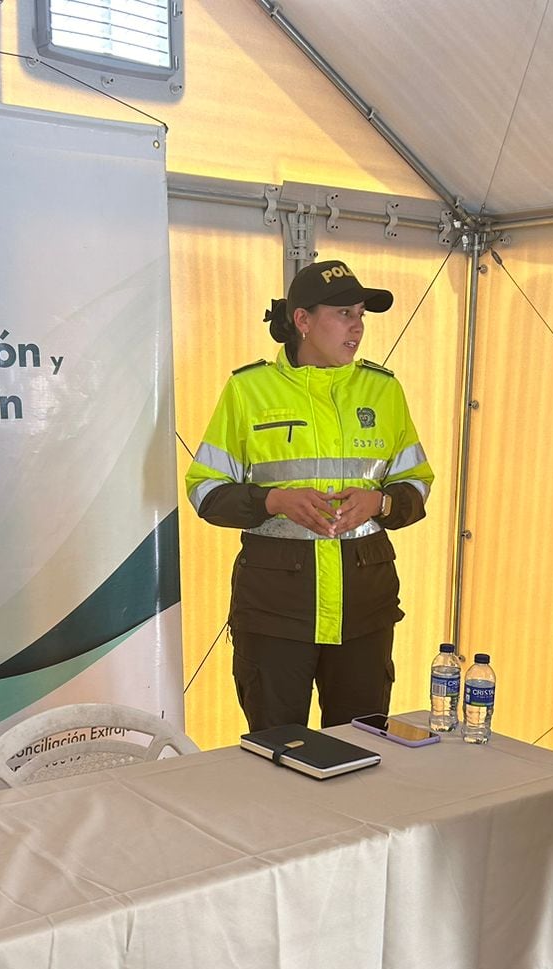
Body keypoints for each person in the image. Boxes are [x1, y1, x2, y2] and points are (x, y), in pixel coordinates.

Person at [184, 260, 435, 731]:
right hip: (275, 611)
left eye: (361, 314)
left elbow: (417, 484)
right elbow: (205, 491)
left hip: (365, 608)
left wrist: (380, 503)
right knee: (277, 754)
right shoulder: (247, 390)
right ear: (302, 320)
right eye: (343, 314)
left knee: (363, 748)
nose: (357, 327)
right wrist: (272, 501)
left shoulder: (384, 391)